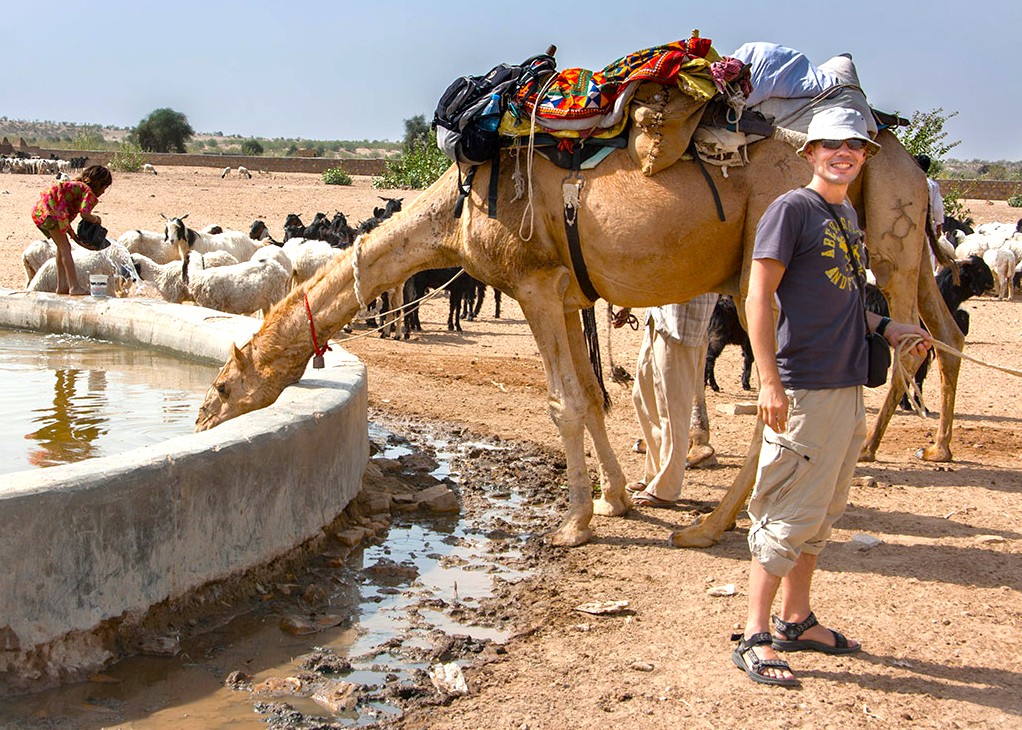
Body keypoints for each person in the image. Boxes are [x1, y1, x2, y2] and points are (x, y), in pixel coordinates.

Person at [732, 107, 932, 687]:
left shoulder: (844, 214)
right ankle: (754, 634)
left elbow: (841, 300)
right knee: (787, 512)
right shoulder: (792, 209)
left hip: (844, 385)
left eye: (855, 146)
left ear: (865, 155)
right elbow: (758, 297)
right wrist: (769, 380)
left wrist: (886, 327)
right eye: (831, 146)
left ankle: (796, 619)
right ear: (810, 153)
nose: (843, 154)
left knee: (821, 512)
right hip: (803, 387)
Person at [616, 294, 718, 507]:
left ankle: (666, 488)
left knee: (673, 408)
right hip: (658, 314)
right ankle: (655, 474)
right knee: (643, 398)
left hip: (681, 322)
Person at [30, 165, 112, 295]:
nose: (103, 192)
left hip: (41, 211)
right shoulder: (88, 192)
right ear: (97, 183)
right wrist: (97, 219)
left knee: (61, 248)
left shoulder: (75, 187)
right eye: (104, 187)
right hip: (51, 211)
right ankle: (74, 286)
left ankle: (62, 286)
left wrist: (76, 238)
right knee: (65, 248)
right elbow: (85, 214)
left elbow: (65, 223)